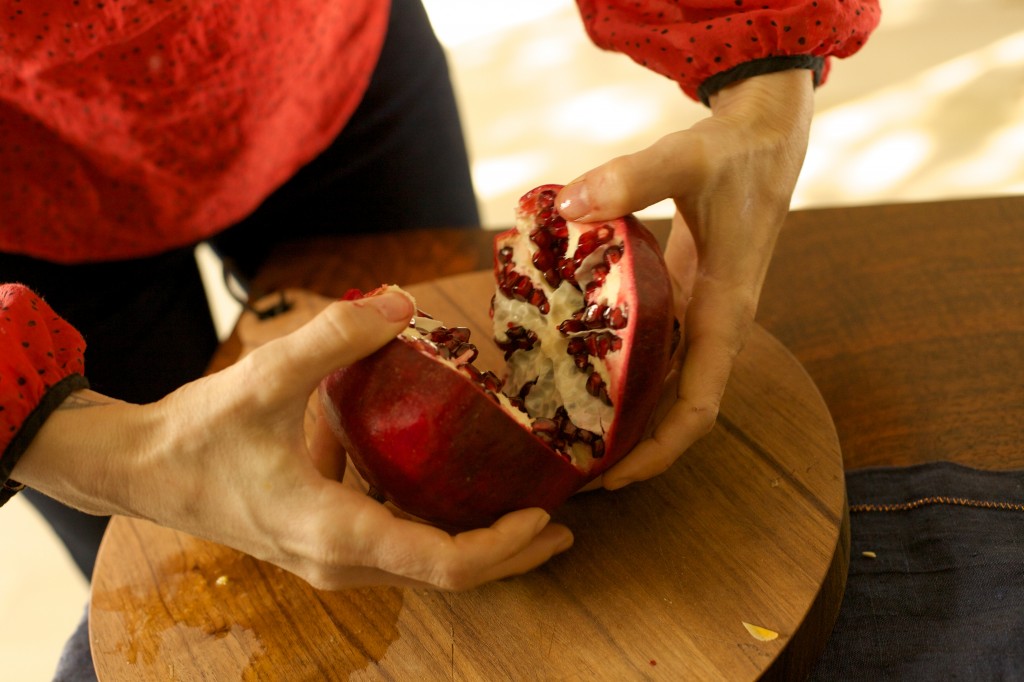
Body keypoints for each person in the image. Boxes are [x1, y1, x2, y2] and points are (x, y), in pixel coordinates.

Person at [1, 0, 880, 677]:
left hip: (327, 62)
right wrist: (80, 445)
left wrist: (759, 65)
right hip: (25, 197)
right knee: (176, 559)